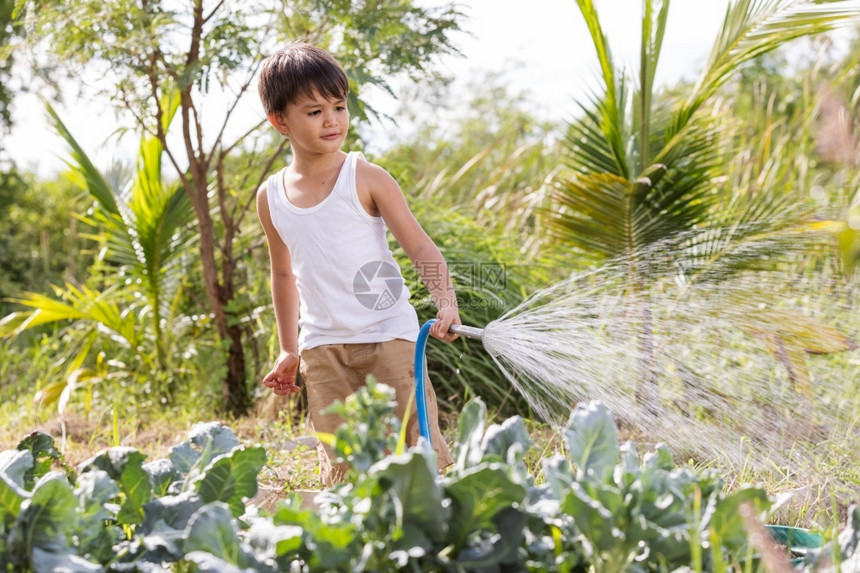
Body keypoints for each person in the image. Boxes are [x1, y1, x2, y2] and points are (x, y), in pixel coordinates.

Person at [255, 40, 459, 485]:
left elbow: (419, 246)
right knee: (346, 469)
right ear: (279, 121)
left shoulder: (365, 177)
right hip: (323, 350)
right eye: (314, 111)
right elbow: (283, 273)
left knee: (412, 458)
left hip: (389, 339)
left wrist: (446, 299)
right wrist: (291, 347)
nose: (332, 120)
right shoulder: (270, 197)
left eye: (339, 106)